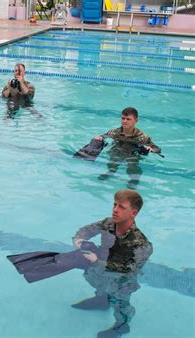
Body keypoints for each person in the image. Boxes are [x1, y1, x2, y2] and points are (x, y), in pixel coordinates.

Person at [72, 190, 153, 338]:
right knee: (100, 285)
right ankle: (101, 301)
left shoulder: (141, 244)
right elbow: (86, 230)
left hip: (122, 281)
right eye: (114, 205)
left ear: (133, 213)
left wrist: (97, 261)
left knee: (120, 304)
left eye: (121, 207)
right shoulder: (108, 223)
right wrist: (78, 239)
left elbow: (128, 269)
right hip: (102, 271)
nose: (115, 209)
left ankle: (122, 326)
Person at [94, 107, 161, 189]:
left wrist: (151, 149)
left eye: (128, 119)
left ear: (136, 121)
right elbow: (104, 136)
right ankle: (111, 171)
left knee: (132, 165)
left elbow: (157, 149)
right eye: (123, 118)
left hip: (132, 152)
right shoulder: (115, 132)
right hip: (117, 150)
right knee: (113, 160)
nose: (125, 121)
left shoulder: (141, 137)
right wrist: (100, 137)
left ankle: (134, 179)